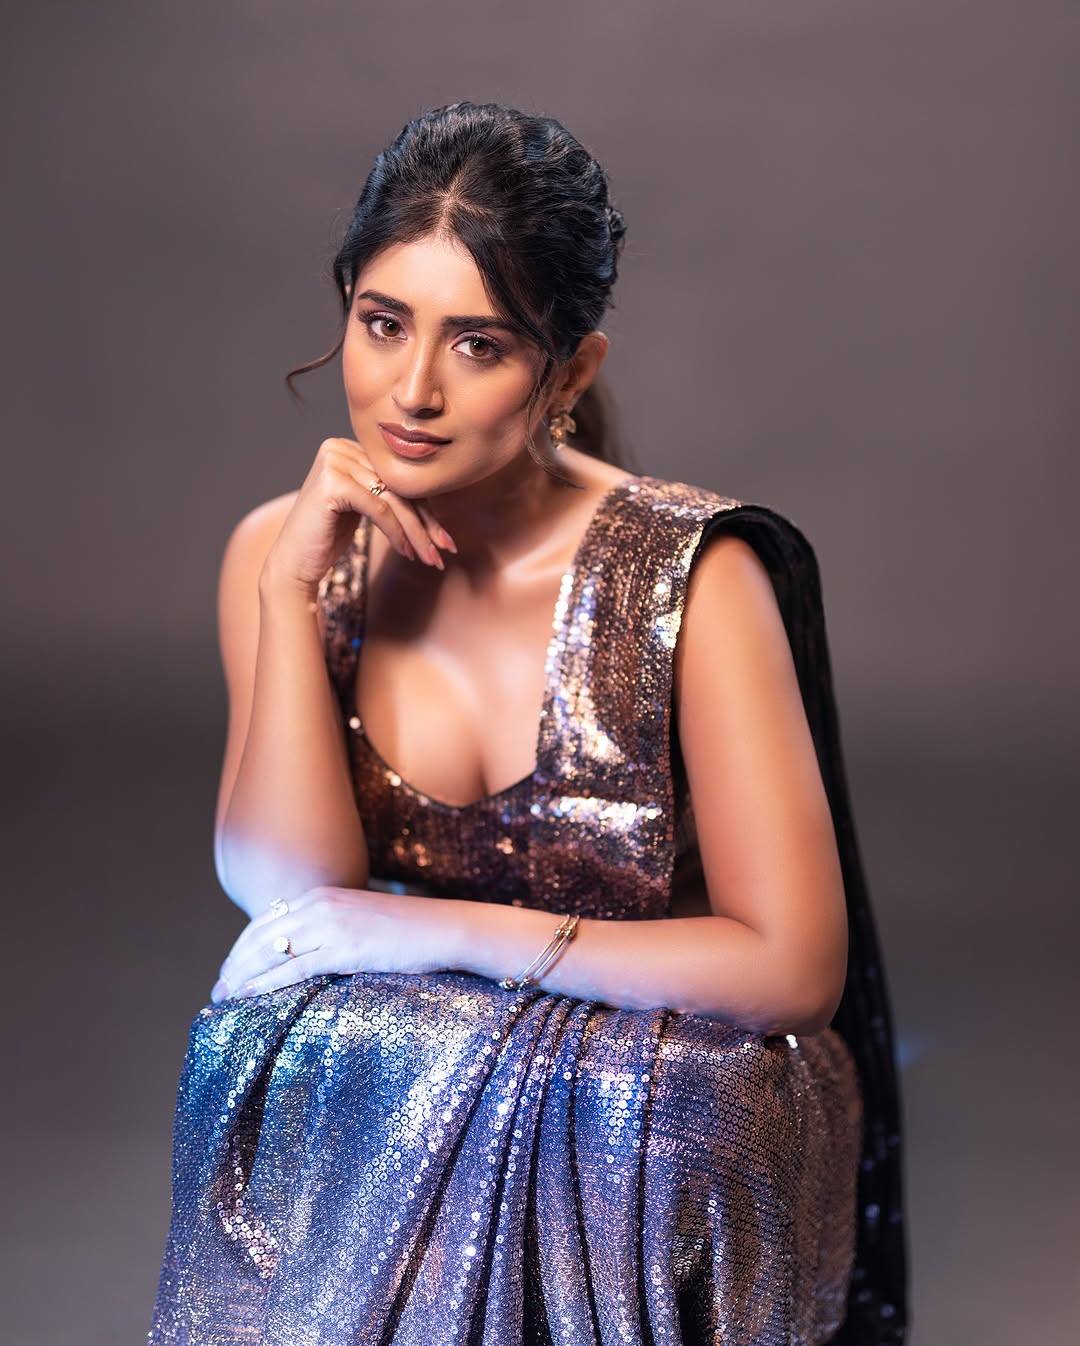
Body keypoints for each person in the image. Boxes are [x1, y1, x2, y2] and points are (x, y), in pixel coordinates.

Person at [149, 102, 906, 1345]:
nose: (413, 390)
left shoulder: (693, 580)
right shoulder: (284, 558)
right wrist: (287, 594)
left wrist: (433, 933)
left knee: (599, 1083)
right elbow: (292, 901)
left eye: (480, 344)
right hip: (435, 1069)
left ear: (570, 373)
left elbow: (791, 971)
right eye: (383, 323)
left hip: (665, 1097)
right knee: (281, 1031)